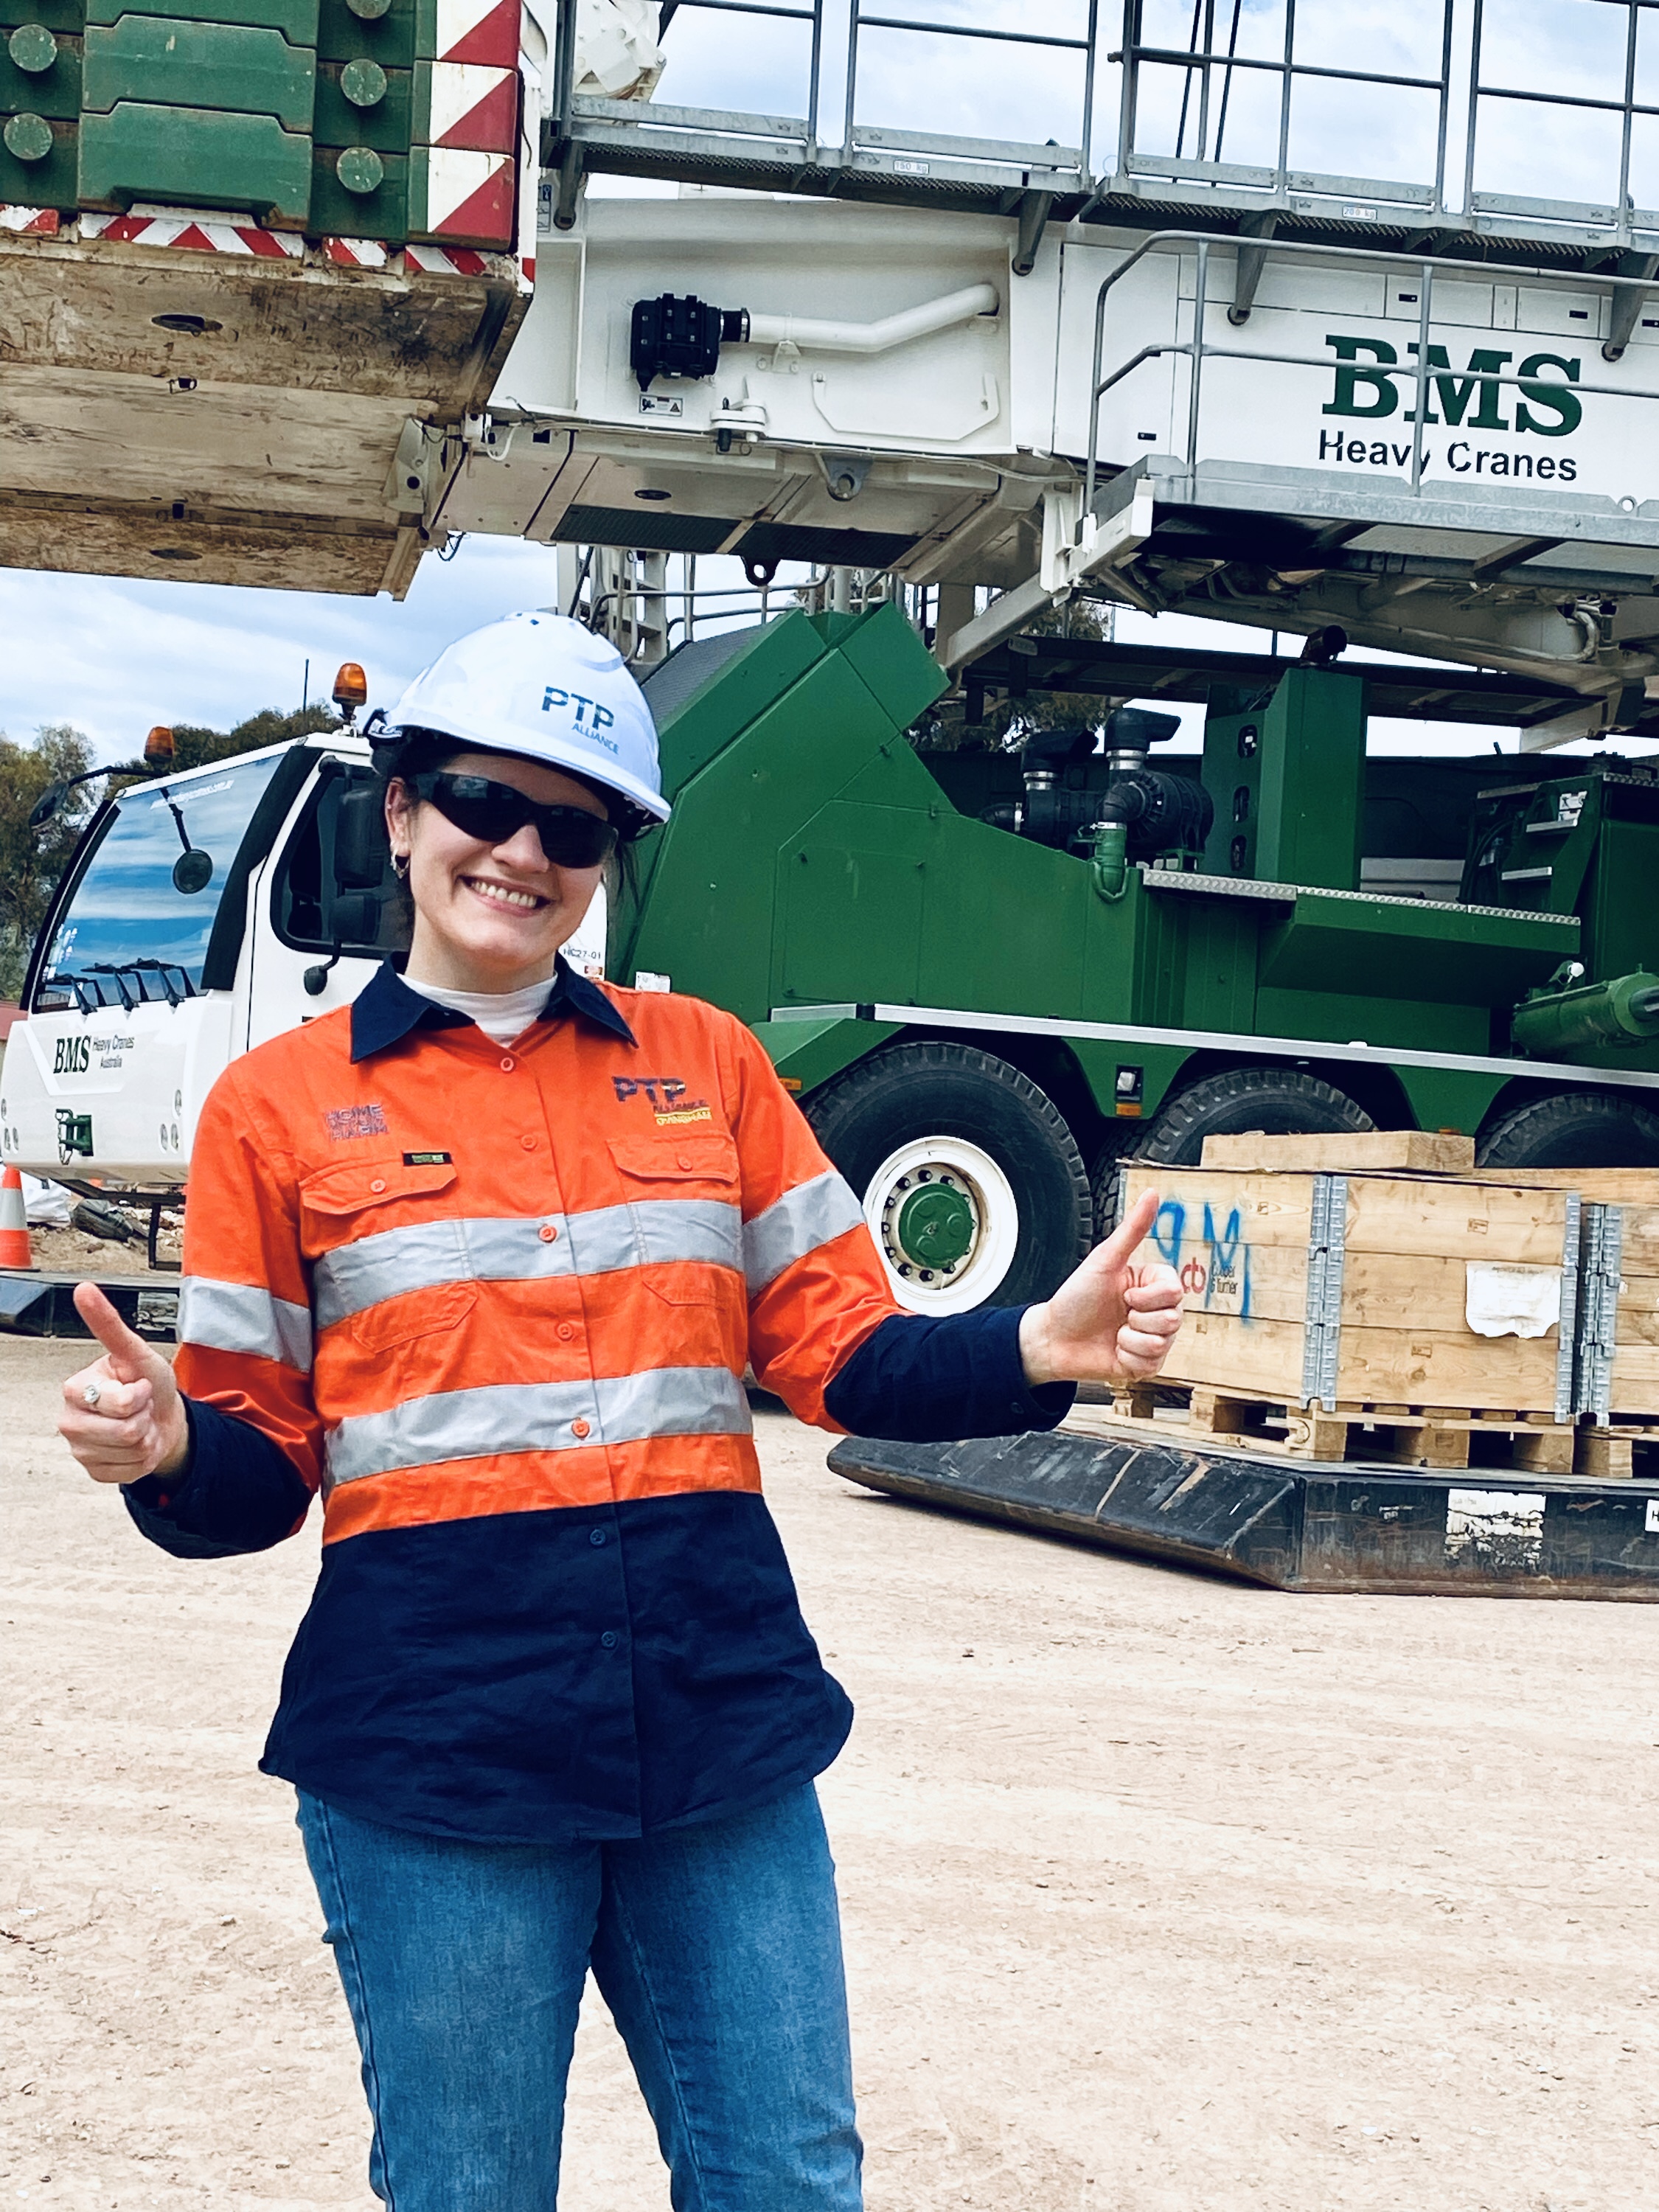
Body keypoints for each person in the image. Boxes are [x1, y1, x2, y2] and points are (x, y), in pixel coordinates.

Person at [58, 612, 1184, 2212]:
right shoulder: (279, 1107)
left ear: (609, 859)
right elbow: (259, 1471)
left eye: (572, 826)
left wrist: (1037, 1347)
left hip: (719, 1729)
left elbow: (849, 1359)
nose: (520, 850)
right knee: (470, 2191)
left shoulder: (709, 1067)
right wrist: (168, 1447)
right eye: (480, 804)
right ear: (401, 810)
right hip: (439, 1758)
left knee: (788, 2179)